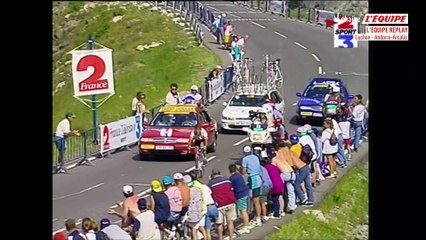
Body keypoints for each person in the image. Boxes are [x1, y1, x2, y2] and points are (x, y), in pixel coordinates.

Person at [208, 169, 237, 240]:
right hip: (231, 202)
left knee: (219, 224)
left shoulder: (211, 184)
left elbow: (210, 195)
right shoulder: (227, 180)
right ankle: (231, 237)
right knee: (230, 222)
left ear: (212, 175)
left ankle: (220, 238)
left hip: (220, 205)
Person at [241, 145, 263, 227]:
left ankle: (258, 218)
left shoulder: (245, 159)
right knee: (254, 198)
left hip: (254, 179)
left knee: (255, 200)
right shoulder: (255, 157)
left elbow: (243, 171)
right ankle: (256, 215)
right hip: (259, 178)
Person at [228, 164, 251, 234]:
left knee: (243, 210)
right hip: (245, 192)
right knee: (244, 210)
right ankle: (247, 223)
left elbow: (231, 187)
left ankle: (246, 226)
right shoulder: (239, 175)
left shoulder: (232, 178)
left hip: (240, 195)